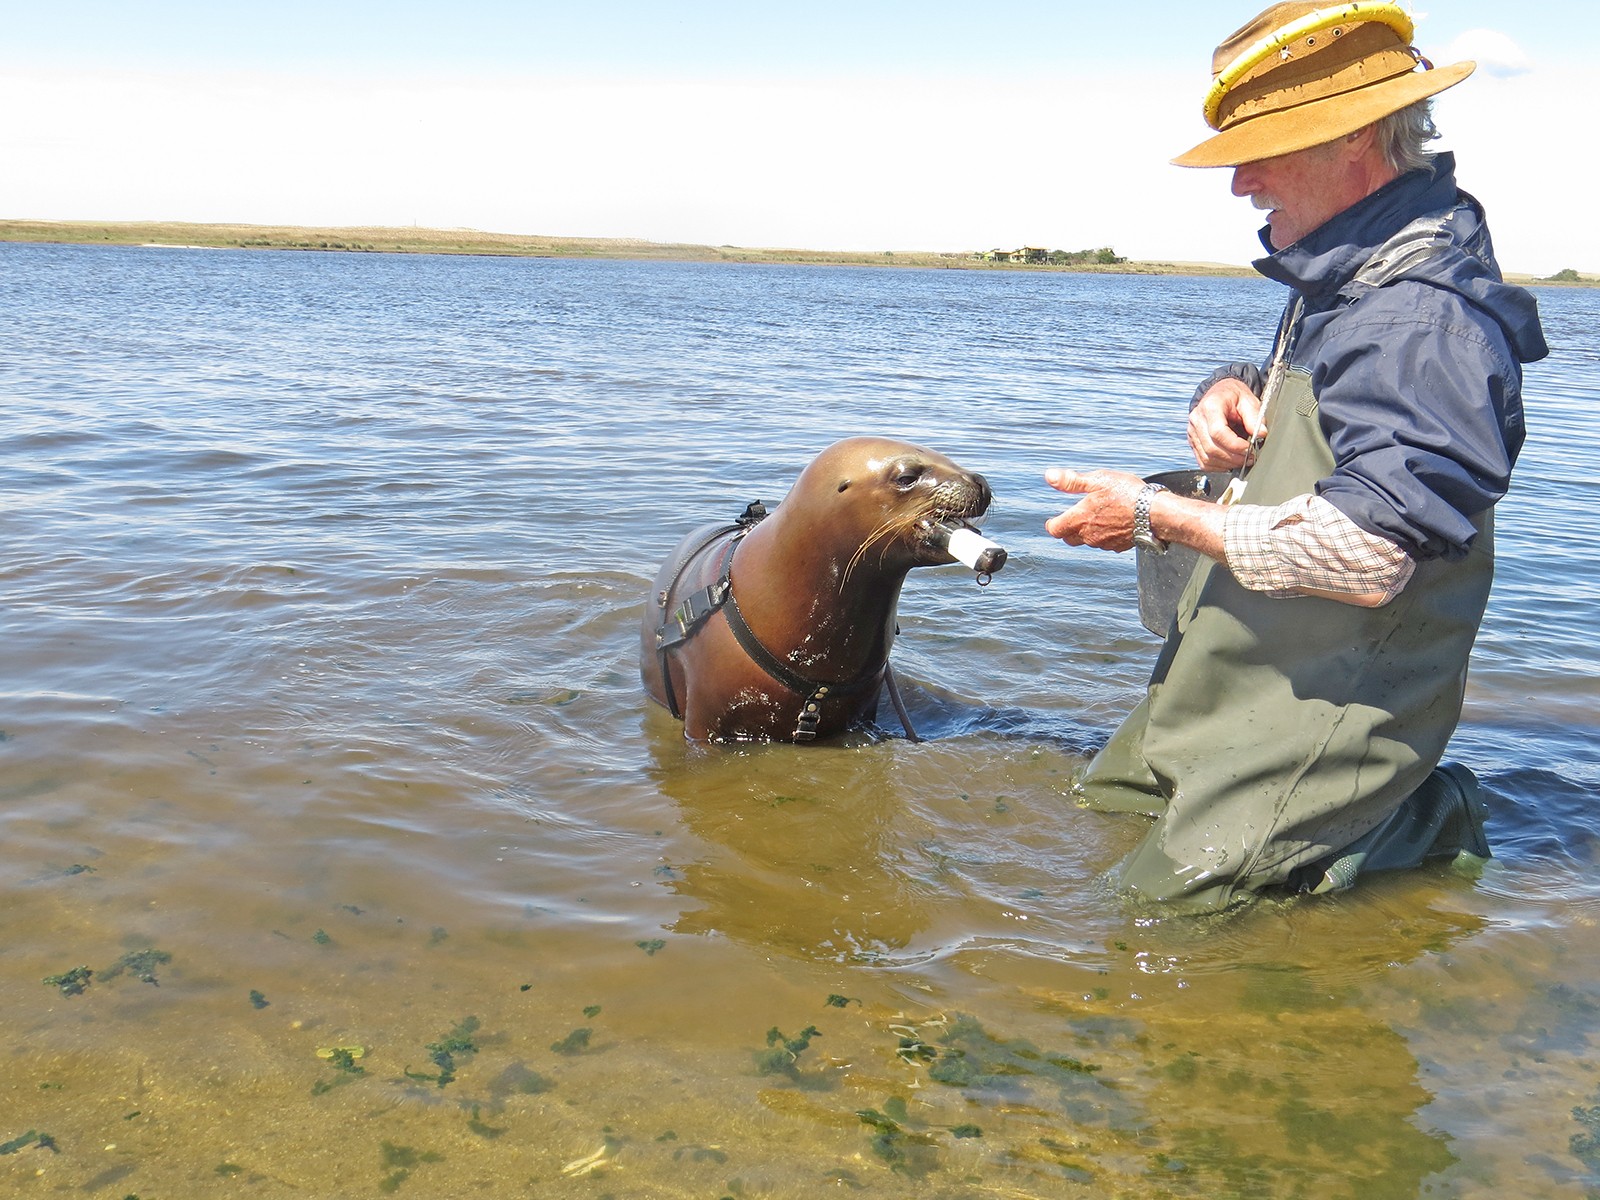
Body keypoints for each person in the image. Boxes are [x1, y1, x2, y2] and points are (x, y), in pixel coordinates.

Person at [1042, 1, 1548, 913]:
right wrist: (1232, 385)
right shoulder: (1355, 275)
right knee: (1098, 810)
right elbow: (1341, 402)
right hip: (1234, 672)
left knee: (1157, 927)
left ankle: (1404, 812)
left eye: (1260, 154)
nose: (1240, 185)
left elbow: (1362, 557)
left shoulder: (1421, 316)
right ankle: (1402, 832)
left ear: (1350, 142)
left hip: (1323, 713)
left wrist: (1151, 515)